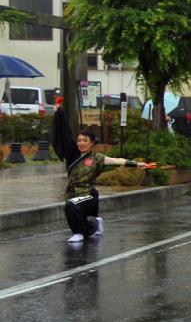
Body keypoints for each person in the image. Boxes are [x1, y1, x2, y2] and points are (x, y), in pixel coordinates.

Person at [52, 99, 148, 243]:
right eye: (79, 140)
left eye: (85, 140)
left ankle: (81, 232)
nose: (81, 143)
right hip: (72, 193)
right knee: (71, 207)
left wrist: (137, 164)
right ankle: (95, 222)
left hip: (88, 194)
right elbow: (64, 133)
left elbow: (117, 161)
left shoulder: (97, 158)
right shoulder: (72, 154)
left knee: (71, 205)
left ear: (92, 143)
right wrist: (58, 113)